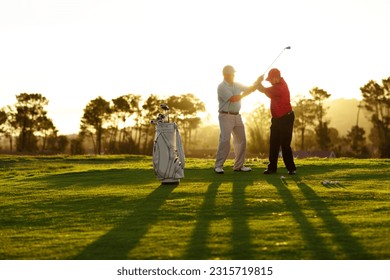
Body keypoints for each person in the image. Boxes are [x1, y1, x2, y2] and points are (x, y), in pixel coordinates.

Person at [255, 68, 296, 175]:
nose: (270, 81)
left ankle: (291, 169)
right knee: (274, 143)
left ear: (276, 77)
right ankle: (272, 168)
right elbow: (264, 90)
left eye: (271, 80)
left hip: (286, 118)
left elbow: (262, 89)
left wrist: (258, 82)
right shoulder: (276, 85)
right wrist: (258, 82)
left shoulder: (280, 88)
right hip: (277, 119)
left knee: (285, 144)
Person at [214, 65, 255, 174]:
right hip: (225, 116)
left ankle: (239, 165)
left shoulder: (237, 84)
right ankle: (218, 165)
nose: (233, 76)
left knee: (242, 140)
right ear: (225, 75)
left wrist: (257, 83)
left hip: (237, 115)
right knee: (225, 140)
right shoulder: (221, 87)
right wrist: (245, 93)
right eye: (232, 74)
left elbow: (249, 88)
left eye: (233, 74)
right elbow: (233, 99)